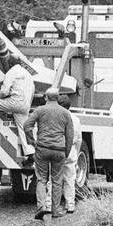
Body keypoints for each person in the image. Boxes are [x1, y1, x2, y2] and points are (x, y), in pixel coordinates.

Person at [24, 85, 74, 219]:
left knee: (41, 179)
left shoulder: (40, 110)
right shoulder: (65, 113)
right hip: (59, 150)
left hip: (42, 148)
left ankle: (41, 207)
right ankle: (55, 210)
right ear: (57, 98)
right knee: (57, 181)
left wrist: (32, 141)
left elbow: (27, 125)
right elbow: (70, 135)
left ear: (45, 97)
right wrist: (66, 152)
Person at [59, 92, 82, 214]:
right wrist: (75, 153)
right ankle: (70, 205)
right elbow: (78, 139)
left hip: (57, 150)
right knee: (70, 179)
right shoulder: (76, 119)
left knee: (53, 179)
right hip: (71, 151)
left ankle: (51, 205)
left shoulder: (56, 117)